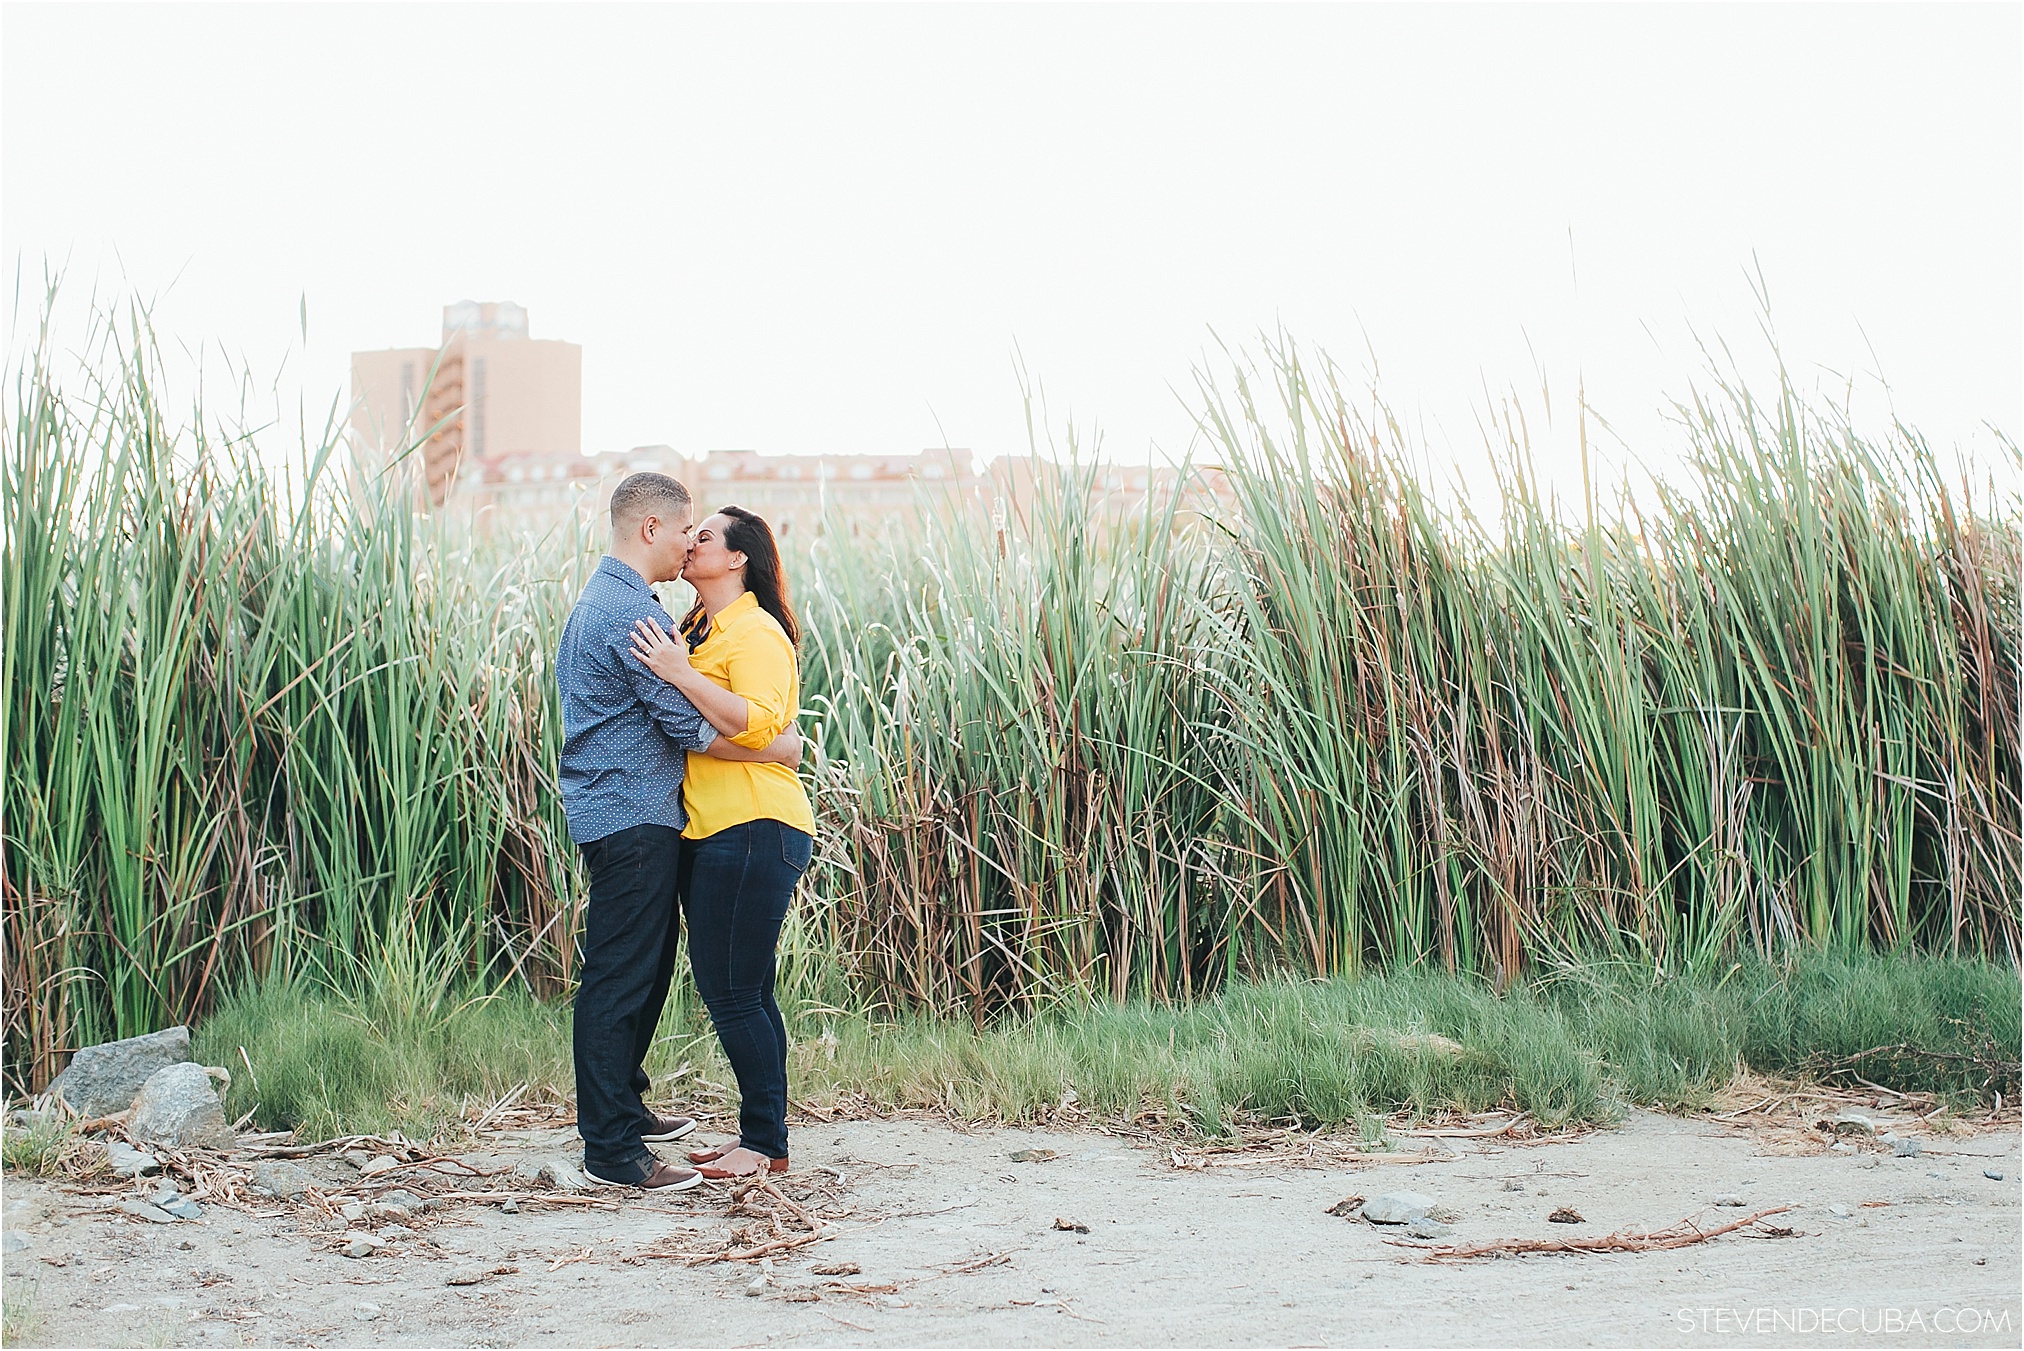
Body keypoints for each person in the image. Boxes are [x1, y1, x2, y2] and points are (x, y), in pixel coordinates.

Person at [556, 474, 802, 1190]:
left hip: (637, 812)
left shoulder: (616, 603)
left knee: (648, 967)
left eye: (704, 534)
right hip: (633, 813)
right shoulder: (634, 614)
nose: (689, 543)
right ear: (650, 529)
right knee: (621, 975)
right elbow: (684, 722)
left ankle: (625, 1113)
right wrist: (776, 747)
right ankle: (612, 1148)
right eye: (684, 530)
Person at [628, 504, 815, 1180]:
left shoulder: (755, 629)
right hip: (713, 830)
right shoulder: (696, 629)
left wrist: (680, 673)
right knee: (746, 989)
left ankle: (763, 1143)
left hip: (755, 827)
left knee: (734, 990)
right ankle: (763, 1136)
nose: (689, 541)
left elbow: (763, 727)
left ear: (737, 557)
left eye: (702, 535)